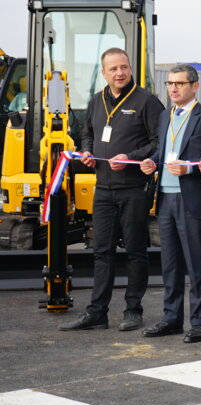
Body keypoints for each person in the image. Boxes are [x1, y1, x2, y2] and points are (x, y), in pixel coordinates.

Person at [60, 48, 164, 332]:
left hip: (134, 188)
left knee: (135, 250)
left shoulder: (147, 102)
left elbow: (159, 141)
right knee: (101, 251)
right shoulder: (95, 102)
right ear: (104, 73)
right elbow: (87, 135)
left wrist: (130, 157)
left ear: (130, 69)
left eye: (124, 67)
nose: (120, 73)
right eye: (114, 69)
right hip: (103, 189)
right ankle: (97, 311)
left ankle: (133, 310)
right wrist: (87, 152)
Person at [139, 65, 201, 343]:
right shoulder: (165, 115)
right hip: (165, 197)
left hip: (193, 199)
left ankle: (200, 323)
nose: (173, 89)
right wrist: (152, 161)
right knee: (171, 264)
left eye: (179, 84)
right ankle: (171, 318)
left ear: (195, 86)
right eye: (170, 83)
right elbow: (162, 150)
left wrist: (191, 168)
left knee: (197, 264)